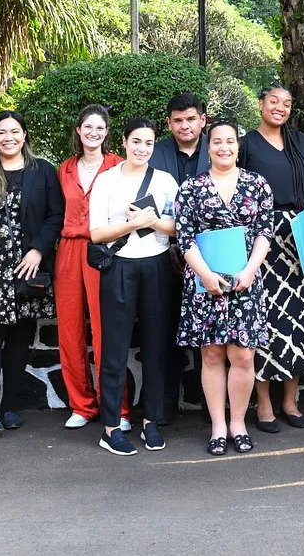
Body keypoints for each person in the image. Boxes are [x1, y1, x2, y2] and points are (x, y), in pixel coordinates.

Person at [174, 119, 276, 455]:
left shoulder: (257, 184)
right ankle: (218, 425)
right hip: (205, 280)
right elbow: (184, 237)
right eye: (217, 141)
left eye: (230, 141)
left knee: (243, 355)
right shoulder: (191, 188)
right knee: (212, 353)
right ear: (209, 146)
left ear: (237, 145)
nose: (224, 147)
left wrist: (251, 269)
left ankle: (238, 423)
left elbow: (265, 231)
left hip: (246, 279)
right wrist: (203, 274)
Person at [0, 111, 63, 439]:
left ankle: (10, 407)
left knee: (21, 338)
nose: (9, 137)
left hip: (28, 266)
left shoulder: (43, 171)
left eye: (15, 131)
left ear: (25, 135)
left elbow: (55, 216)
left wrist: (38, 250)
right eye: (1, 132)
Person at [237, 84, 304, 433]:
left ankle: (290, 401)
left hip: (303, 237)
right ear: (260, 104)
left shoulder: (301, 141)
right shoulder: (246, 145)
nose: (280, 108)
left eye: (287, 103)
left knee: (299, 319)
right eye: (273, 101)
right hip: (263, 242)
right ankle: (263, 404)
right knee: (266, 320)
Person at [88, 117, 181, 455]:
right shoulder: (107, 181)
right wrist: (130, 225)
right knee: (114, 348)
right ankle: (111, 426)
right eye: (137, 141)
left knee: (157, 346)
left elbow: (178, 227)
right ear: (124, 142)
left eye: (149, 143)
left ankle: (151, 421)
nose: (142, 148)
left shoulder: (166, 180)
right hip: (119, 269)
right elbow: (96, 233)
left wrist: (153, 222)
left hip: (156, 267)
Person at [55, 105, 128, 430]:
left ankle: (119, 408)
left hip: (105, 249)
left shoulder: (118, 166)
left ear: (107, 132)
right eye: (88, 127)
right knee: (69, 330)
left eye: (100, 128)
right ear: (79, 130)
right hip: (69, 250)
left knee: (107, 329)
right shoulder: (66, 168)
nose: (93, 133)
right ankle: (82, 406)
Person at [149, 91, 211, 421]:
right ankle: (163, 407)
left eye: (191, 119)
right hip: (163, 254)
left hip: (209, 256)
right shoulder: (153, 152)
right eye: (178, 120)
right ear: (169, 123)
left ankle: (210, 407)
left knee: (211, 333)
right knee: (163, 332)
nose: (184, 125)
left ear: (203, 120)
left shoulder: (219, 147)